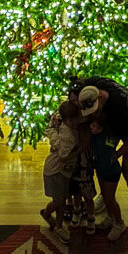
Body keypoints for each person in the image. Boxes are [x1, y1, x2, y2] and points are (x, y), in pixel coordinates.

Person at [75, 77, 128, 231]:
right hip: (108, 125)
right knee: (103, 165)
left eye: (95, 109)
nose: (91, 114)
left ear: (101, 98)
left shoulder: (124, 110)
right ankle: (107, 196)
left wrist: (116, 155)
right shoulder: (93, 86)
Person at [41, 97, 92, 239]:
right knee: (60, 202)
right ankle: (57, 225)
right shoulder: (68, 135)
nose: (75, 123)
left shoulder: (64, 121)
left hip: (61, 170)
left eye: (77, 119)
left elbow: (52, 124)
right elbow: (64, 157)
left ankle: (48, 216)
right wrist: (80, 150)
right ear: (65, 120)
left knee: (60, 200)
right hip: (56, 170)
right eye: (71, 121)